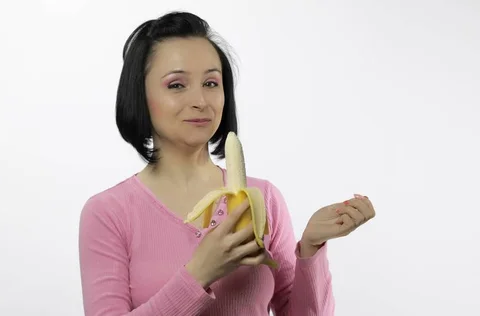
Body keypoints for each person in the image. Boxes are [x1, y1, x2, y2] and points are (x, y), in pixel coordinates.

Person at [78, 11, 376, 316]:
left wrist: (312, 246)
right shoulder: (108, 213)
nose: (201, 101)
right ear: (139, 95)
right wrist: (199, 274)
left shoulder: (264, 198)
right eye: (177, 85)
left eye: (210, 82)